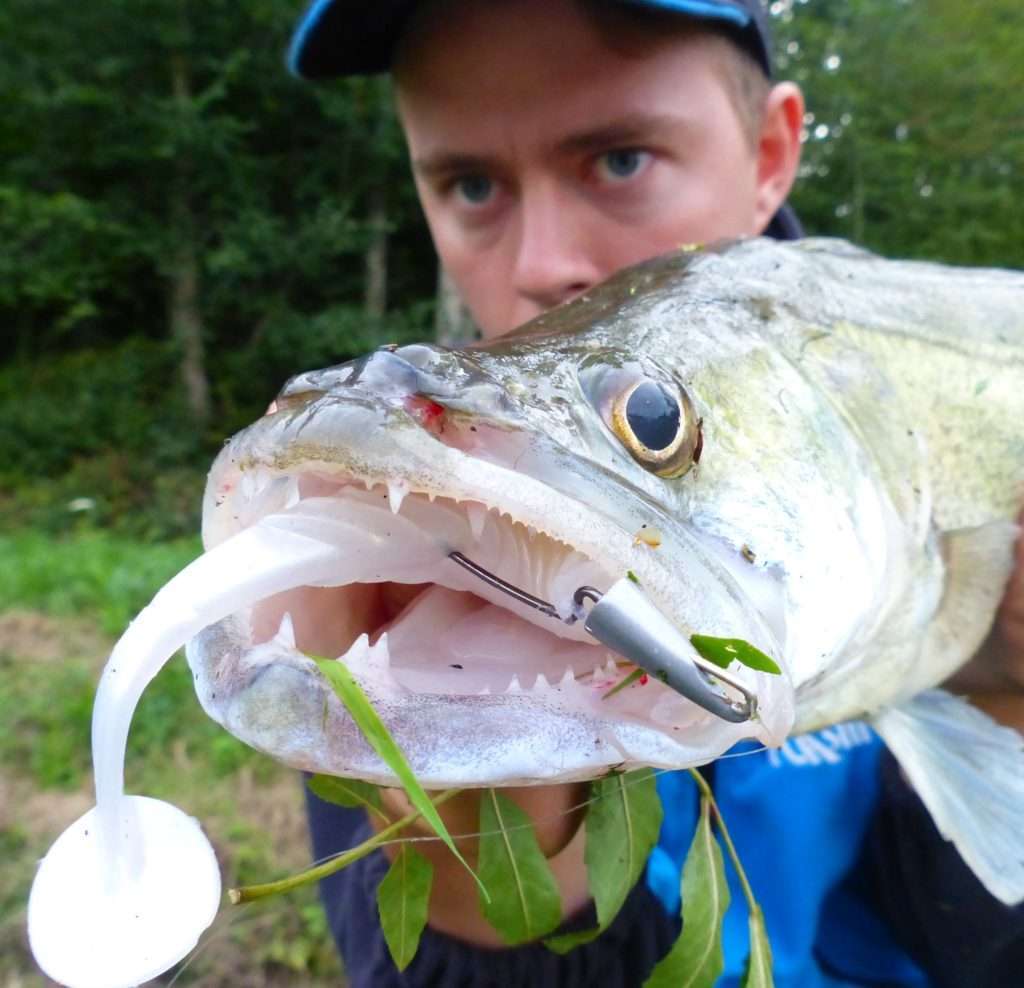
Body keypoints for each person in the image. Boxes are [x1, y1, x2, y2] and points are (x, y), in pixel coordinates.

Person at [288, 1, 1024, 985]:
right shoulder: (410, 517)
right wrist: (486, 868)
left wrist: (1010, 696)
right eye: (469, 184)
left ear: (770, 153)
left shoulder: (875, 412)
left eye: (620, 159)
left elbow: (976, 941)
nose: (542, 263)